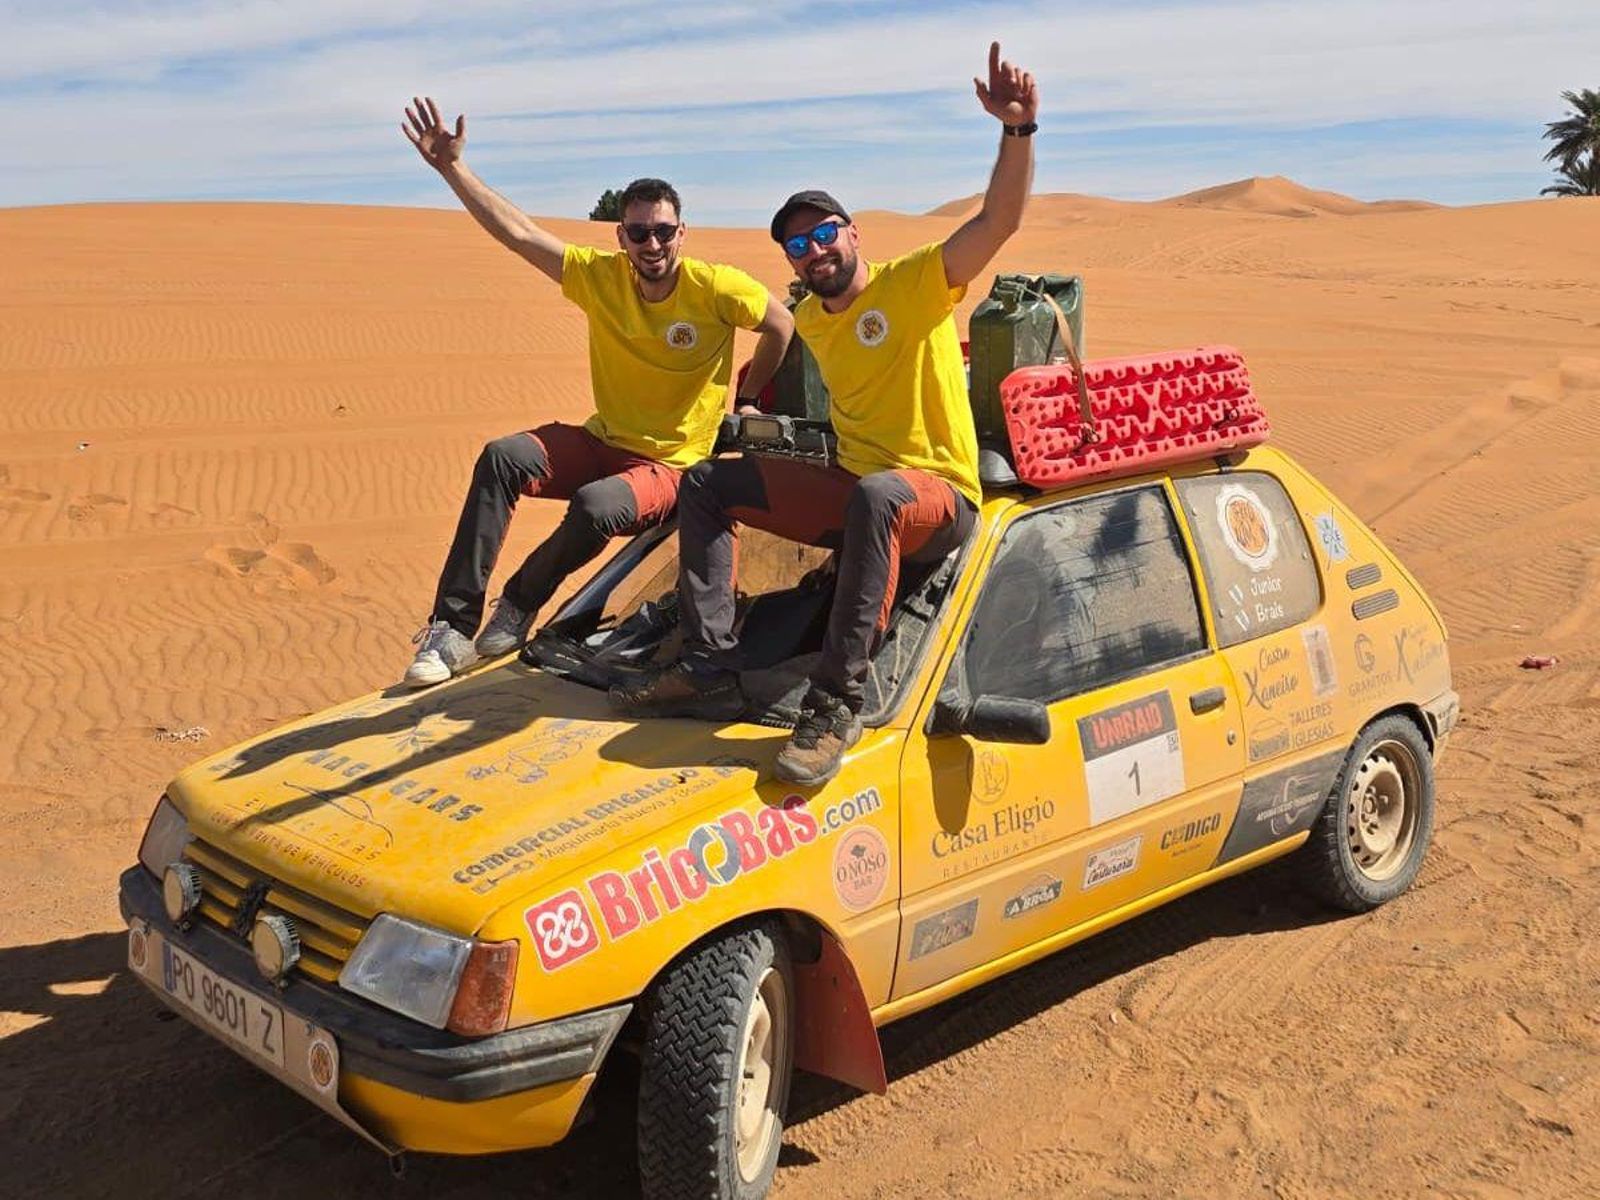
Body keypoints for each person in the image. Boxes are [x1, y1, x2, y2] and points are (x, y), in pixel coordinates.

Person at [613, 44, 1038, 786]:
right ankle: (710, 659)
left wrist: (1017, 132)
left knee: (879, 496)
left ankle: (834, 705)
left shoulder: (916, 284)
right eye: (797, 244)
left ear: (853, 234)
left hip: (935, 499)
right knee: (712, 483)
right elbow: (765, 361)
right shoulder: (810, 318)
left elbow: (998, 220)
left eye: (823, 233)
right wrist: (738, 403)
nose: (813, 250)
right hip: (857, 491)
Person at [399, 96, 794, 687]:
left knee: (597, 507)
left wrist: (747, 397)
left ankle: (520, 602)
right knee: (503, 457)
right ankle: (452, 628)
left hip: (671, 462)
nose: (652, 244)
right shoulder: (600, 277)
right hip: (604, 438)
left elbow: (780, 325)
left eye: (663, 231)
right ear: (622, 236)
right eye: (639, 232)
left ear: (681, 233)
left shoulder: (715, 287)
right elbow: (520, 234)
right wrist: (453, 169)